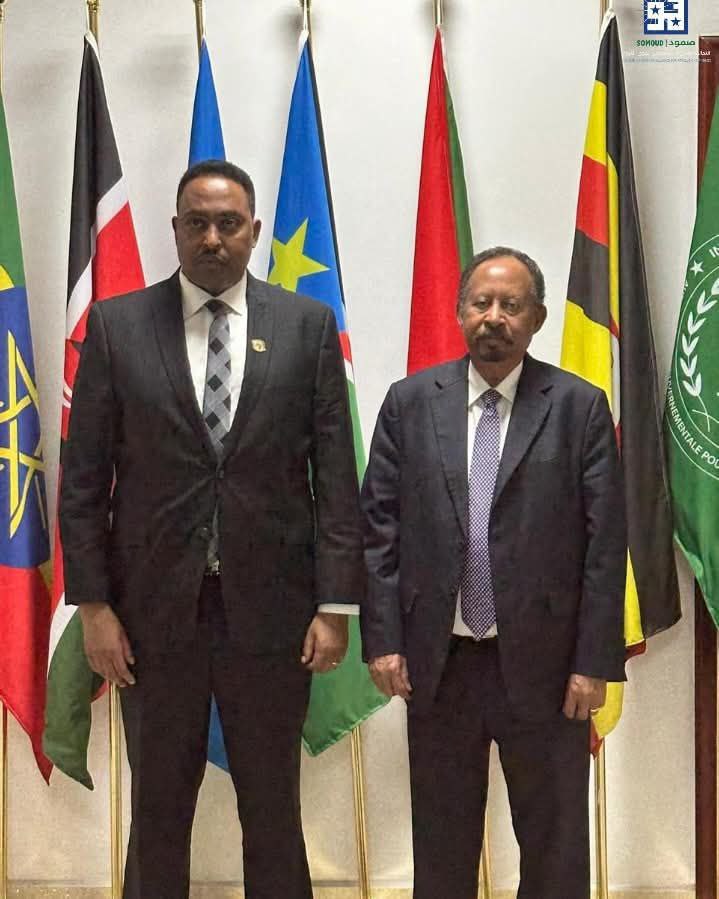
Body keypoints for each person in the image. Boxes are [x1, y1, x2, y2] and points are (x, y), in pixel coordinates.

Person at [59, 160, 363, 899]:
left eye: (228, 224)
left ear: (254, 231)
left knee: (273, 809)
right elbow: (83, 481)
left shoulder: (307, 326)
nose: (212, 238)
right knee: (159, 811)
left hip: (276, 616)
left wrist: (334, 605)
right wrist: (94, 607)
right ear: (175, 230)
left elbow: (334, 478)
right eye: (196, 223)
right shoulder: (117, 326)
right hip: (150, 618)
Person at [360, 247, 626, 899]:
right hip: (439, 662)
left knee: (554, 846)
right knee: (441, 845)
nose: (494, 317)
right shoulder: (409, 403)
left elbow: (604, 546)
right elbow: (378, 530)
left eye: (511, 304)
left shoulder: (578, 407)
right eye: (481, 302)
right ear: (459, 312)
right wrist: (384, 639)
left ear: (536, 318)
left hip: (547, 667)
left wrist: (592, 661)